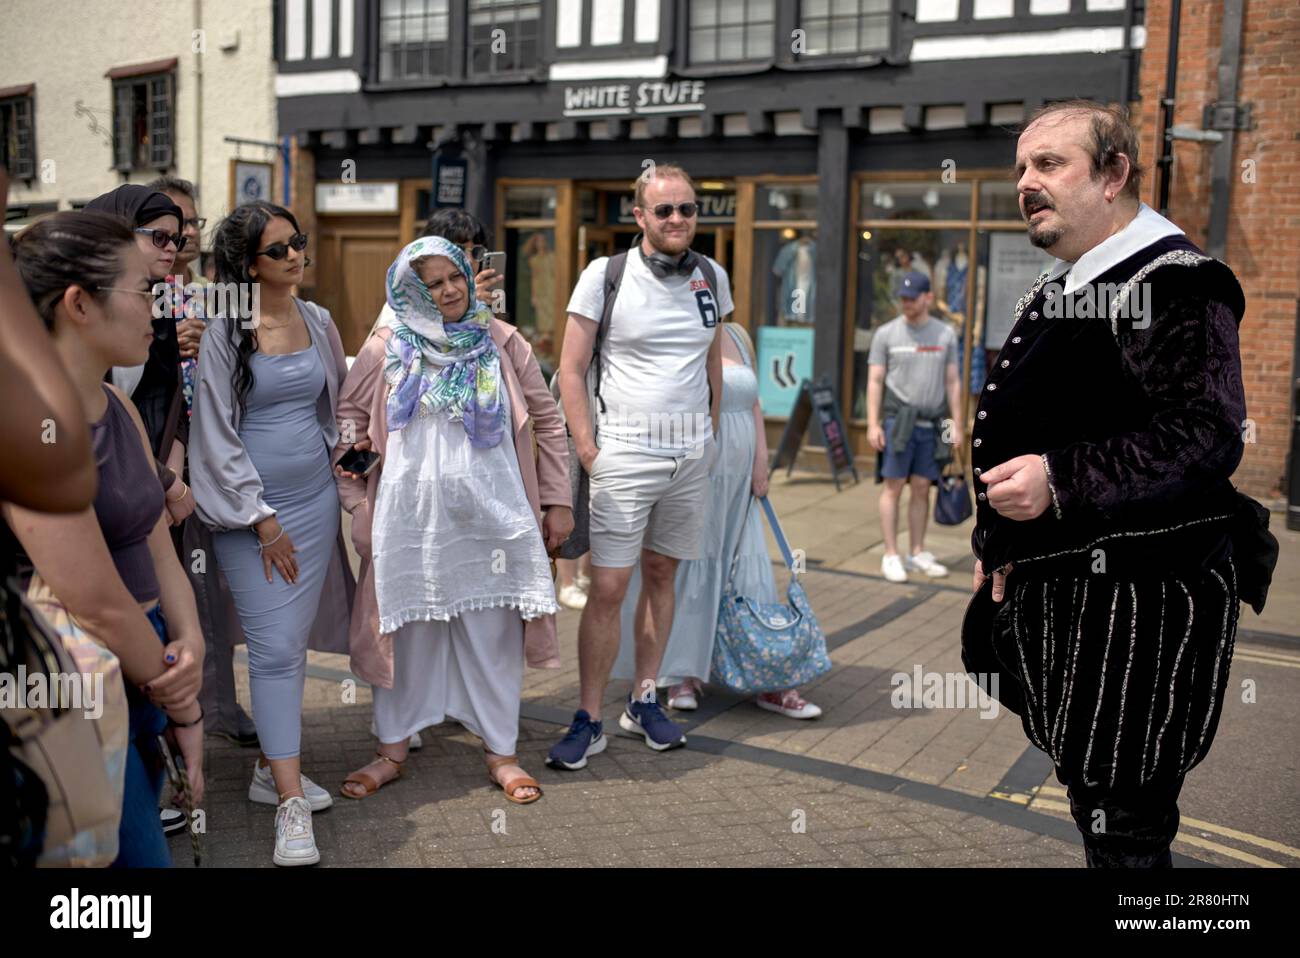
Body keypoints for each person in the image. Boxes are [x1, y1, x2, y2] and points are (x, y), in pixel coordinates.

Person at [962, 100, 1262, 868]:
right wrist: (995, 544)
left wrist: (1059, 480)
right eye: (1022, 168)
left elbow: (1205, 435)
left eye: (1050, 164)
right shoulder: (1071, 281)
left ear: (1114, 174)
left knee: (1124, 823)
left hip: (1139, 610)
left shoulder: (1176, 283)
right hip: (1065, 593)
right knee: (1094, 803)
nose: (1027, 183)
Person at [333, 236, 571, 804]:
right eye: (431, 283)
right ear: (408, 293)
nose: (447, 291)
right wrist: (358, 503)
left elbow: (548, 418)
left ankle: (502, 754)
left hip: (493, 520)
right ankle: (391, 751)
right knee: (405, 634)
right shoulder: (386, 346)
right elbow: (348, 423)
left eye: (453, 277)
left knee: (492, 635)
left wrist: (557, 499)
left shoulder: (501, 339)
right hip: (407, 520)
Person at [6, 211, 206, 867]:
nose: (162, 306)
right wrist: (178, 692)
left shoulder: (115, 404)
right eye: (146, 290)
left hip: (143, 675)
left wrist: (191, 643)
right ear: (79, 304)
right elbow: (94, 598)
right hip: (73, 695)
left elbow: (154, 536)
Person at [189, 202, 355, 867]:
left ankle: (268, 770)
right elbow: (216, 432)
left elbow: (335, 404)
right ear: (246, 265)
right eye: (279, 250)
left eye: (297, 244)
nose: (295, 257)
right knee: (277, 649)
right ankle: (289, 804)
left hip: (313, 505)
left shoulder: (317, 319)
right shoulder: (225, 330)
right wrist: (262, 519)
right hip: (247, 513)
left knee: (284, 643)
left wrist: (345, 466)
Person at [548, 162, 727, 770]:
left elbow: (712, 364)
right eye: (665, 210)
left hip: (690, 457)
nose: (678, 219)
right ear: (640, 215)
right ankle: (589, 716)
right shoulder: (605, 275)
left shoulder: (711, 276)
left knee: (661, 577)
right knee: (607, 587)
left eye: (688, 209)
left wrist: (711, 433)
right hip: (624, 454)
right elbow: (571, 368)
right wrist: (589, 450)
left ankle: (643, 699)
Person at [612, 322, 822, 718]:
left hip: (741, 471)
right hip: (697, 468)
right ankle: (681, 672)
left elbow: (754, 402)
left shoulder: (740, 336)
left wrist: (762, 459)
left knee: (744, 561)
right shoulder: (674, 334)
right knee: (691, 565)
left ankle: (765, 671)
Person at [149, 175, 261, 751]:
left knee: (210, 589)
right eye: (170, 226)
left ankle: (218, 705)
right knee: (164, 593)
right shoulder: (134, 292)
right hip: (155, 466)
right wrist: (165, 342)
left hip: (210, 460)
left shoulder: (213, 294)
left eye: (191, 223)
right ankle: (172, 718)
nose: (184, 235)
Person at [83, 186, 196, 530]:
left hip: (151, 490)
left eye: (175, 239)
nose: (172, 249)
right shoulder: (81, 307)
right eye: (159, 237)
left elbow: (170, 400)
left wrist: (169, 480)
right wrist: (161, 484)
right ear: (118, 232)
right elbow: (94, 420)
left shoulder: (158, 302)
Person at [866, 271, 962, 583]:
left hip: (931, 425)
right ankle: (891, 554)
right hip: (897, 424)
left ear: (928, 298)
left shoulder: (945, 334)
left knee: (922, 488)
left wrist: (957, 425)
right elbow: (875, 380)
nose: (906, 303)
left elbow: (952, 382)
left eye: (912, 297)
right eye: (903, 298)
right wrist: (872, 424)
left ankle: (917, 551)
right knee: (892, 487)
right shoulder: (886, 334)